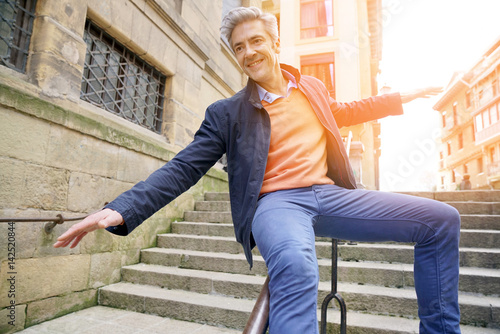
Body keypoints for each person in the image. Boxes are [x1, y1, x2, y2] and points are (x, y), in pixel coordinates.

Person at [54, 6, 460, 334]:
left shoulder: (312, 89)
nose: (248, 52)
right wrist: (123, 208)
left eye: (256, 41)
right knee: (298, 266)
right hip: (277, 205)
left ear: (275, 42)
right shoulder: (227, 113)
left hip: (330, 196)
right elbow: (185, 167)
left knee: (441, 220)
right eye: (239, 47)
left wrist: (397, 98)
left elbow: (344, 112)